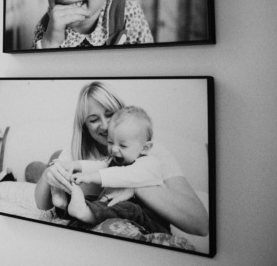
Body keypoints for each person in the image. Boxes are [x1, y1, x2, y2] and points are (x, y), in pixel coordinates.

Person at [34, 82, 209, 236]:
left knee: (126, 209)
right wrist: (51, 174)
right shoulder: (77, 150)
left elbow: (201, 225)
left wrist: (134, 188)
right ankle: (68, 209)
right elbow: (42, 205)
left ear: (121, 112)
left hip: (143, 220)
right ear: (85, 126)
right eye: (93, 120)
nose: (105, 125)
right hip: (102, 221)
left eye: (110, 114)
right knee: (84, 213)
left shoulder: (150, 153)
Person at [66, 106, 169, 233]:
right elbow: (98, 165)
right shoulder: (115, 159)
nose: (114, 149)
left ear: (145, 148)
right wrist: (75, 165)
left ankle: (84, 213)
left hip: (151, 222)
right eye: (110, 142)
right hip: (120, 208)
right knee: (92, 199)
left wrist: (91, 177)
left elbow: (124, 175)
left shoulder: (149, 164)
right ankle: (68, 212)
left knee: (128, 208)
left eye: (123, 145)